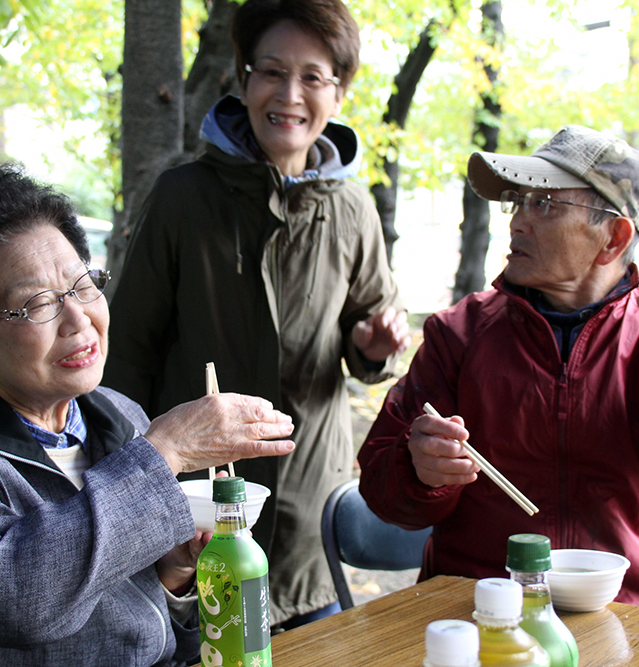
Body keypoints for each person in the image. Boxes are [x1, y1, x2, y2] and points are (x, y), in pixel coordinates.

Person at [0, 165, 296, 667]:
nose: (79, 320)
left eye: (83, 285)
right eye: (36, 304)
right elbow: (16, 598)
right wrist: (163, 453)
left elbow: (146, 628)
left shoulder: (118, 415)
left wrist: (174, 574)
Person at [357, 125, 639, 611]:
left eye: (543, 203)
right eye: (517, 202)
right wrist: (422, 471)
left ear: (614, 237)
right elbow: (382, 490)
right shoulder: (458, 334)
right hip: (480, 607)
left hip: (628, 614)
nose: (517, 222)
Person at [105, 0, 409, 628]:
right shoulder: (182, 196)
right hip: (193, 514)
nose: (289, 94)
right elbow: (127, 356)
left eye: (313, 76)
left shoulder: (352, 209)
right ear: (242, 80)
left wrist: (374, 347)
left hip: (306, 514)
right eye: (271, 71)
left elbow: (366, 338)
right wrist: (126, 489)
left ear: (339, 91)